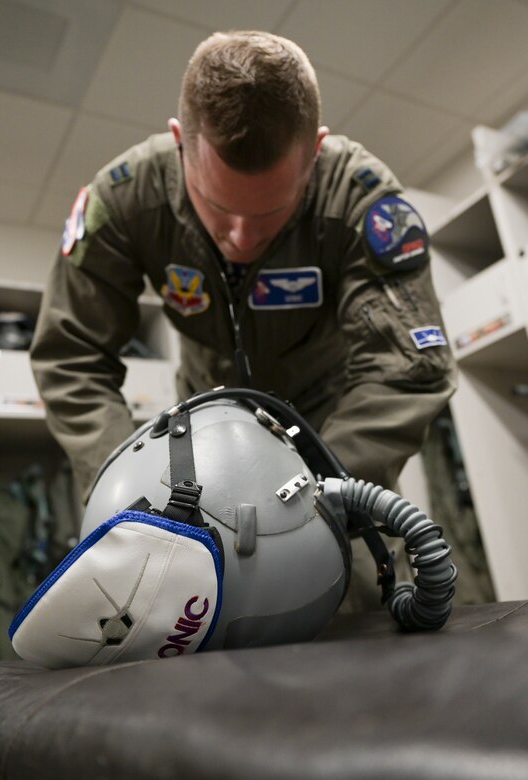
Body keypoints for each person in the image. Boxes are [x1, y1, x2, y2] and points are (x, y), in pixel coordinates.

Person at [30, 30, 456, 609]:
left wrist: (317, 494)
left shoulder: (359, 199)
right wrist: (128, 494)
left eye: (272, 211)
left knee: (343, 602)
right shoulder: (127, 200)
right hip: (200, 433)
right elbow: (70, 356)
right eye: (219, 207)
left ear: (317, 152)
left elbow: (408, 367)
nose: (242, 238)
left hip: (333, 432)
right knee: (188, 612)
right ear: (181, 145)